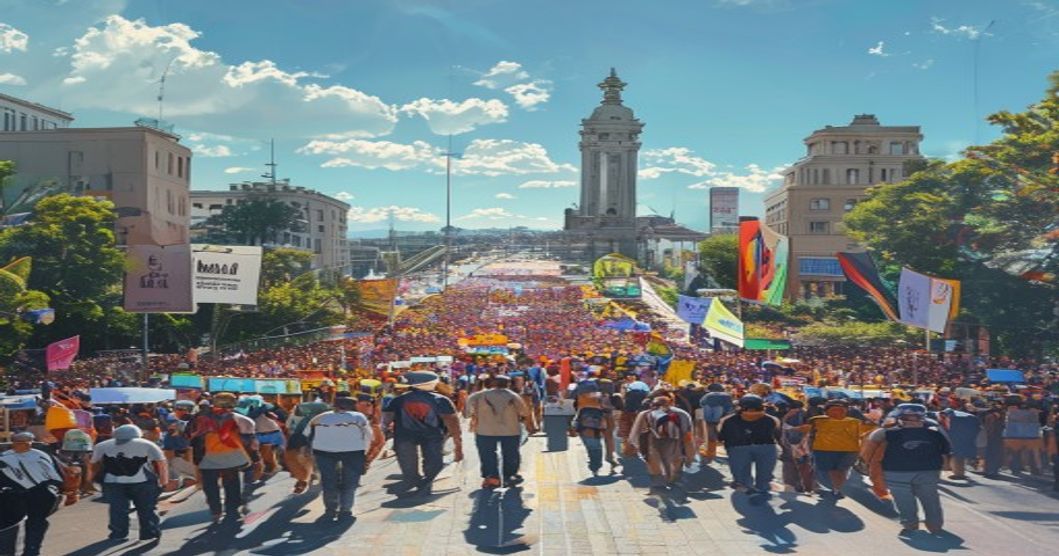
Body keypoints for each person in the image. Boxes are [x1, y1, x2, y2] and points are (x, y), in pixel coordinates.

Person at [863, 403, 950, 535]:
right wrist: (944, 466)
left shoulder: (885, 432)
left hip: (896, 472)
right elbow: (947, 450)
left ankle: (910, 525)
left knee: (904, 500)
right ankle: (935, 525)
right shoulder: (935, 432)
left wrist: (864, 464)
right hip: (928, 471)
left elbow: (868, 450)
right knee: (930, 498)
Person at [383, 371, 463, 496]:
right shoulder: (441, 400)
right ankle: (427, 482)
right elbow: (453, 422)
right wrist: (458, 444)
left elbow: (386, 421)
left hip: (404, 435)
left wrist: (383, 434)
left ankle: (412, 479)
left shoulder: (398, 400)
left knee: (407, 461)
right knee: (433, 461)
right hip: (432, 435)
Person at [0, 432, 73, 556]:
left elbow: (57, 475)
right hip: (13, 497)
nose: (23, 445)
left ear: (31, 442)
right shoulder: (4, 458)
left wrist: (55, 488)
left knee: (36, 524)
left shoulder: (41, 455)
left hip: (40, 494)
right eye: (19, 442)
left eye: (26, 442)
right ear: (13, 443)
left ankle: (31, 551)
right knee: (13, 527)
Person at [91, 424, 167, 542]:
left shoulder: (101, 446)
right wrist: (163, 481)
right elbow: (161, 463)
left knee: (117, 509)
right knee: (146, 508)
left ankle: (118, 534)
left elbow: (94, 464)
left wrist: (90, 480)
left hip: (112, 482)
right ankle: (149, 533)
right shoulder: (148, 444)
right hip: (142, 481)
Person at [187, 392, 255, 522]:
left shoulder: (199, 417)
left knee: (210, 485)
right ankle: (232, 510)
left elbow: (189, 435)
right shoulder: (239, 418)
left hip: (207, 457)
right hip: (231, 456)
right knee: (232, 484)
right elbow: (248, 438)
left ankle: (215, 511)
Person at [308, 396, 374, 521]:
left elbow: (308, 434)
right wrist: (364, 452)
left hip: (324, 452)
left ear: (334, 406)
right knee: (350, 482)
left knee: (328, 481)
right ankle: (346, 509)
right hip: (353, 453)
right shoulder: (358, 417)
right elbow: (368, 436)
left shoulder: (320, 417)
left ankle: (330, 509)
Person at [465, 375, 528, 489]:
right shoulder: (514, 396)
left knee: (487, 454)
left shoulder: (478, 396)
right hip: (511, 431)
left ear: (493, 383)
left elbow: (467, 413)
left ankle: (492, 478)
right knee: (511, 454)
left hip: (485, 431)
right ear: (508, 384)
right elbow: (524, 413)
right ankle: (509, 477)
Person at [629, 392, 695, 492]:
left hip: (652, 442)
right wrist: (690, 455)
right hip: (675, 444)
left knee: (655, 463)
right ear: (671, 403)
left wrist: (637, 447)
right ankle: (673, 481)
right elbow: (688, 435)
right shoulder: (681, 413)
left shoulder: (645, 414)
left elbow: (635, 434)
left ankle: (658, 484)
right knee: (674, 463)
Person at [796, 399, 862, 499]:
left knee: (827, 471)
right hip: (847, 450)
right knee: (840, 471)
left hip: (826, 449)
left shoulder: (817, 420)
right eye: (835, 410)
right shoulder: (856, 422)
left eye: (840, 410)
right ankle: (836, 489)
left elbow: (808, 432)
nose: (837, 412)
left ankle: (832, 489)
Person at [717, 395, 781, 497]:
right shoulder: (772, 419)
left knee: (741, 472)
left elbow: (721, 436)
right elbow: (778, 434)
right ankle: (762, 488)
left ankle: (745, 487)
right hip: (766, 447)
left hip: (737, 447)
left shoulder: (728, 420)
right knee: (765, 472)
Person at [938, 406, 980, 480]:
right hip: (963, 439)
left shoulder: (956, 418)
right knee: (959, 456)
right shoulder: (963, 417)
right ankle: (959, 472)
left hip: (958, 440)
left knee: (957, 456)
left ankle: (958, 474)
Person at [700, 383, 733, 463]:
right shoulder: (727, 395)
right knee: (719, 432)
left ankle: (710, 453)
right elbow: (728, 407)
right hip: (719, 414)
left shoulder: (708, 395)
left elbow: (702, 403)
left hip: (708, 413)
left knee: (710, 433)